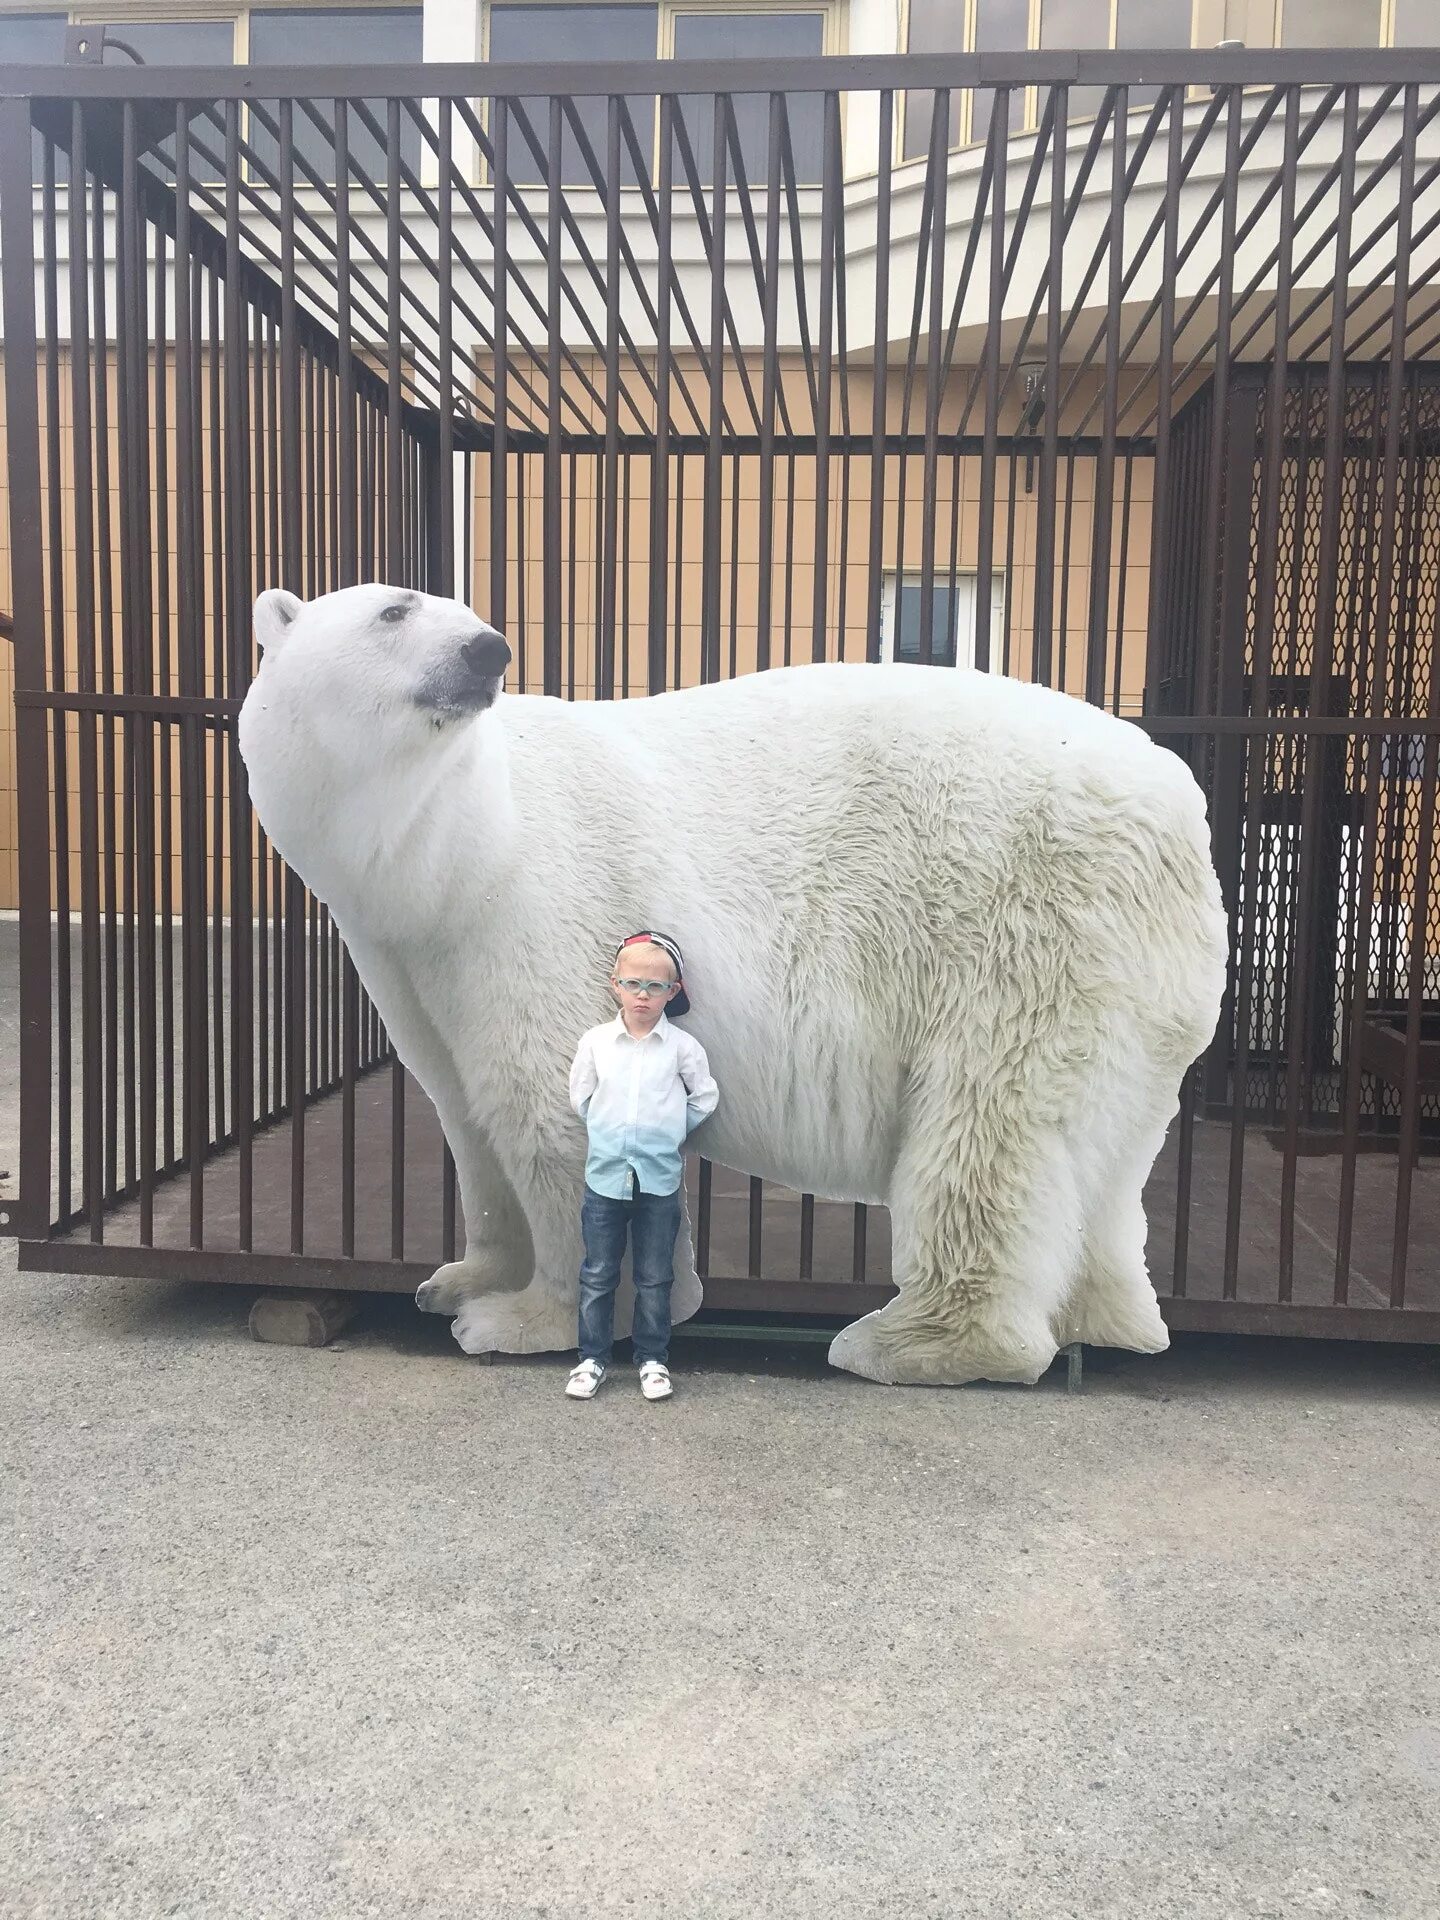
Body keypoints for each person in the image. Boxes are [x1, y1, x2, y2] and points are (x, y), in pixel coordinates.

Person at [564, 931, 719, 1402]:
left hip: (658, 1179)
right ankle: (592, 1358)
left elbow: (704, 1096)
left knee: (654, 1275)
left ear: (672, 992)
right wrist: (608, 1129)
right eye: (633, 984)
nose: (643, 996)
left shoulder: (681, 1048)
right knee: (598, 1271)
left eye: (655, 987)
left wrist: (670, 1130)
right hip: (605, 1176)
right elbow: (582, 1096)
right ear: (615, 985)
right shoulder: (596, 1043)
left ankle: (653, 1359)